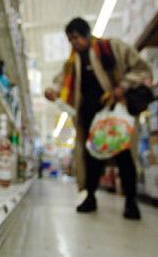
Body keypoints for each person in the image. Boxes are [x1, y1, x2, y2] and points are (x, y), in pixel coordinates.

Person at [45, 17, 152, 220]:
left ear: (86, 34)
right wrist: (52, 90)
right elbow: (60, 81)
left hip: (116, 114)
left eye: (75, 38)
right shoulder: (72, 62)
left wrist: (123, 87)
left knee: (124, 157)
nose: (73, 43)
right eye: (70, 40)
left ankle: (131, 201)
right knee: (91, 158)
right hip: (90, 119)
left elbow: (141, 67)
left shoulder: (111, 47)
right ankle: (90, 197)